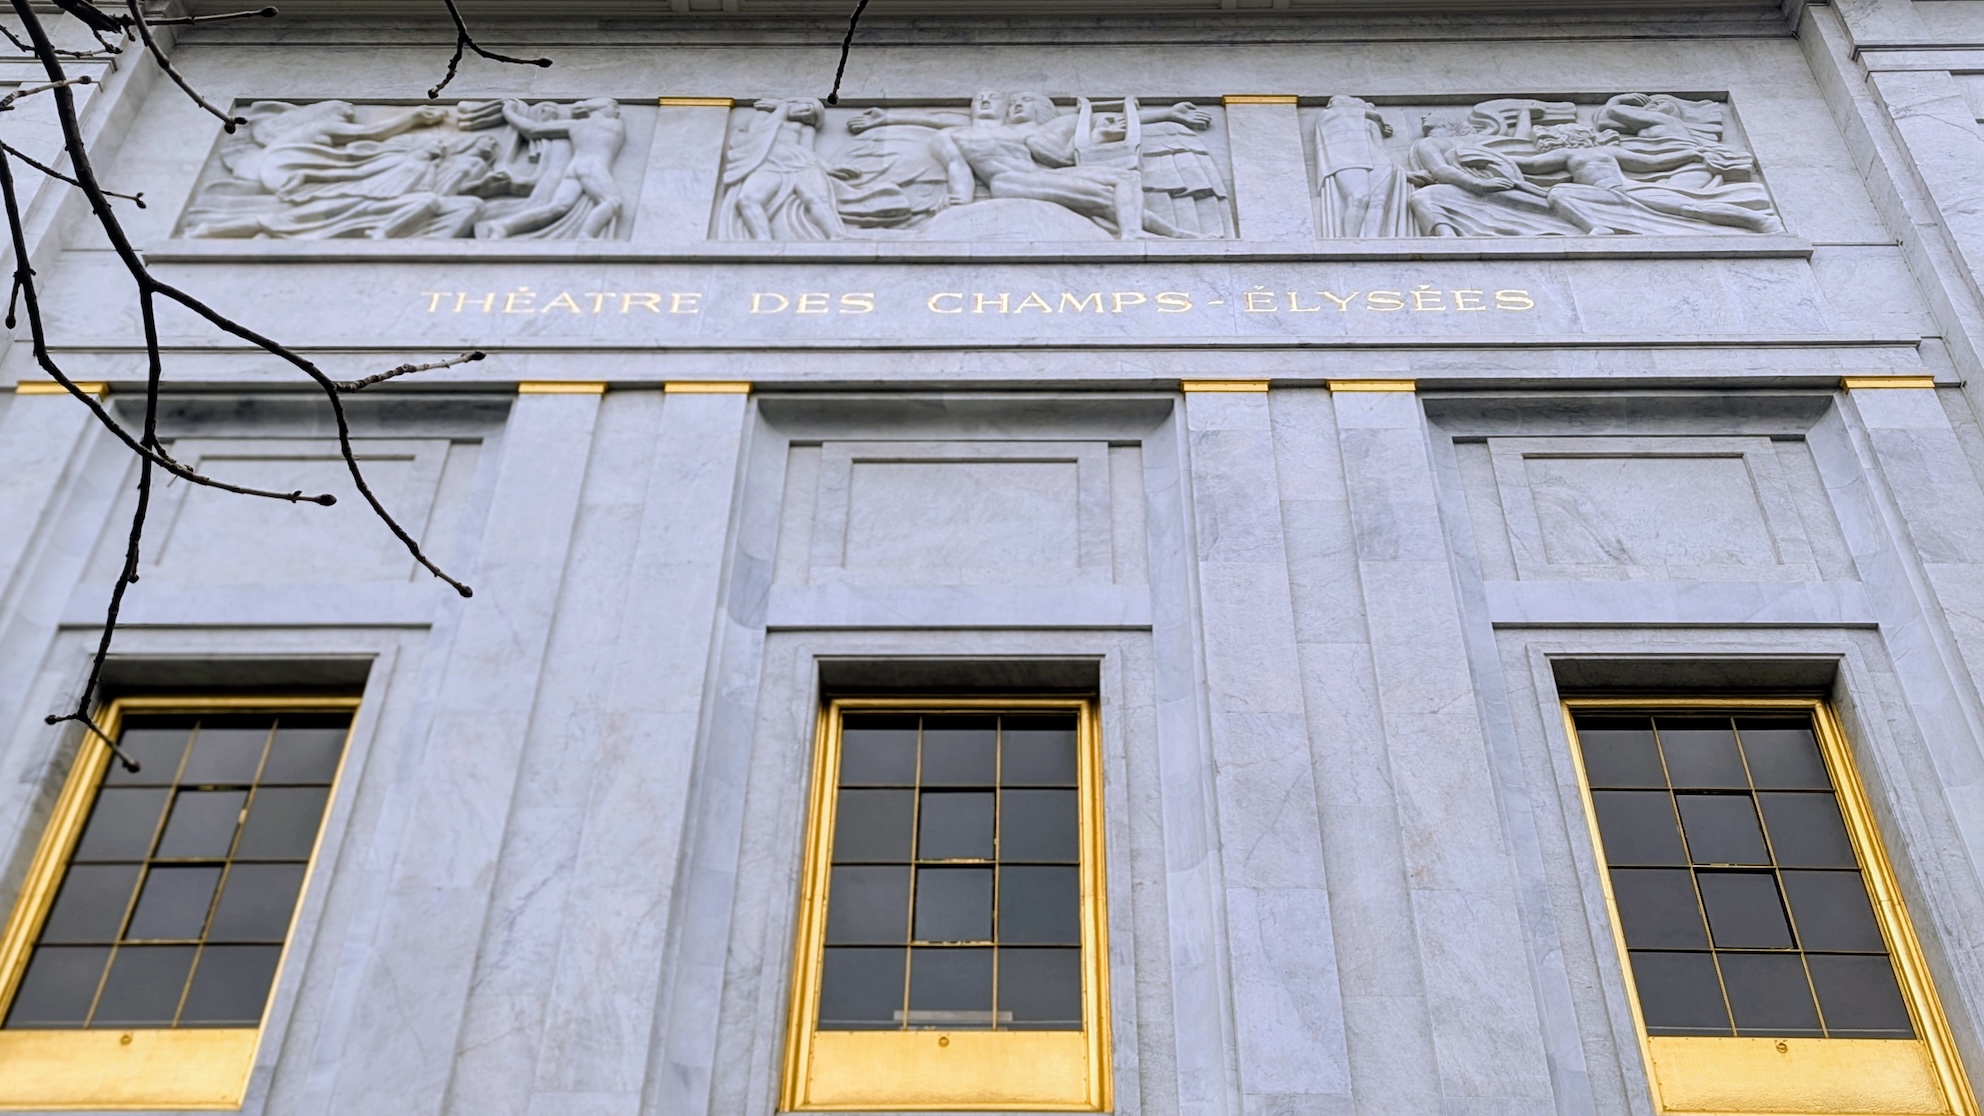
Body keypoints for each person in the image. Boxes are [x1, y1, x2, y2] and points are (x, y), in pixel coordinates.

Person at [475, 98, 626, 240]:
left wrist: (508, 113)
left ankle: (503, 226)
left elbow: (533, 129)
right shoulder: (614, 124)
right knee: (612, 201)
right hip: (593, 167)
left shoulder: (576, 125)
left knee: (559, 207)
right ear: (601, 108)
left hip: (573, 168)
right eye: (614, 106)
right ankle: (585, 236)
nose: (618, 112)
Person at [719, 98, 847, 240]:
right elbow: (758, 133)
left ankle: (837, 235)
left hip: (803, 164)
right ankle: (763, 240)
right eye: (806, 106)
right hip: (770, 165)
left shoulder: (806, 128)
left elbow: (808, 150)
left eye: (811, 111)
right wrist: (782, 108)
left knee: (816, 199)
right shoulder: (764, 116)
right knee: (747, 199)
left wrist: (829, 166)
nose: (806, 112)